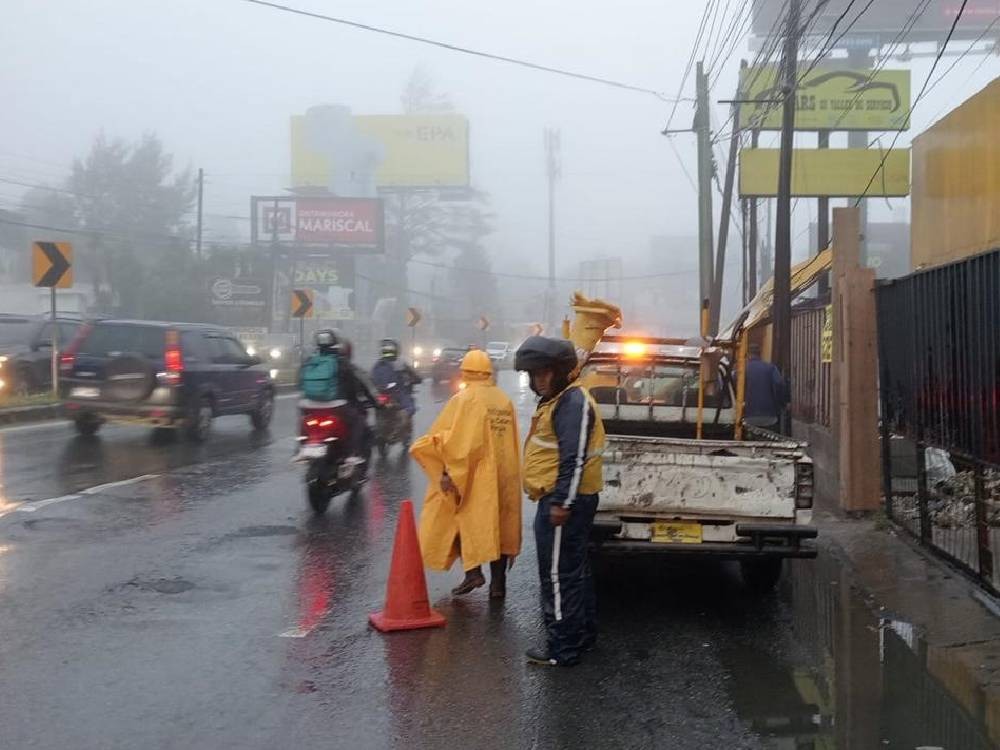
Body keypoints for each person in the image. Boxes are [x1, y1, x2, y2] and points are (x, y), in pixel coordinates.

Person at [515, 336, 605, 667]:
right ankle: (582, 635)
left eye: (543, 374)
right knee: (574, 571)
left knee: (557, 576)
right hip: (564, 499)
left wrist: (561, 503)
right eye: (534, 375)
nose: (537, 381)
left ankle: (561, 648)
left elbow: (573, 457)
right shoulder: (560, 399)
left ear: (562, 372)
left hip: (565, 501)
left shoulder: (572, 403)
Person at [410, 349, 522, 598]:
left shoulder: (465, 399)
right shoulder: (503, 400)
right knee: (500, 526)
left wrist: (449, 472)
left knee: (463, 520)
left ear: (466, 371)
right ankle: (498, 585)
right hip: (505, 474)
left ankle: (473, 572)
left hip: (476, 475)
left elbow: (460, 444)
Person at [371, 339, 421, 418]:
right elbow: (416, 376)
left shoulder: (377, 365)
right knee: (410, 408)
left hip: (383, 396)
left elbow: (372, 380)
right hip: (397, 394)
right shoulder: (401, 364)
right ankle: (404, 419)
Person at [743, 343, 788, 431]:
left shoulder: (742, 370)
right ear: (760, 354)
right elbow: (779, 384)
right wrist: (782, 404)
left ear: (748, 355)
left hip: (749, 415)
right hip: (769, 415)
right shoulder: (771, 368)